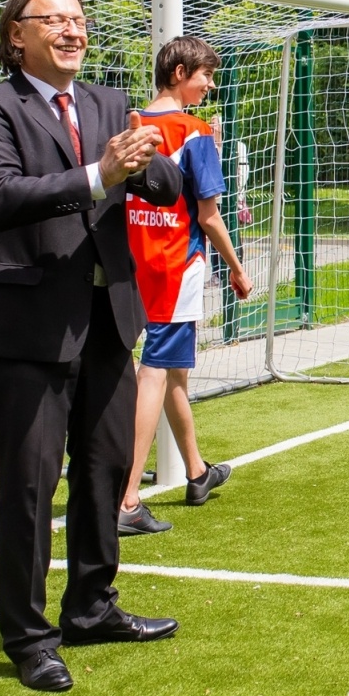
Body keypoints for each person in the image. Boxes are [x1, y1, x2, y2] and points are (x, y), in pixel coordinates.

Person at [0, 0, 184, 693]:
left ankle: (90, 606)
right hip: (29, 327)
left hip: (108, 321)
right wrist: (97, 173)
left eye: (78, 20)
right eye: (53, 19)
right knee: (27, 486)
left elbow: (166, 188)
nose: (71, 30)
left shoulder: (110, 103)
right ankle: (29, 638)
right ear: (16, 35)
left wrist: (149, 164)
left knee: (106, 470)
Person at [118, 36, 253, 535]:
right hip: (177, 264)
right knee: (154, 372)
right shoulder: (195, 134)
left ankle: (195, 471)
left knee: (172, 371)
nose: (210, 85)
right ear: (178, 72)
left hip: (132, 263)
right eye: (205, 76)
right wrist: (237, 269)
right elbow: (210, 217)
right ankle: (127, 498)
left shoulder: (130, 125)